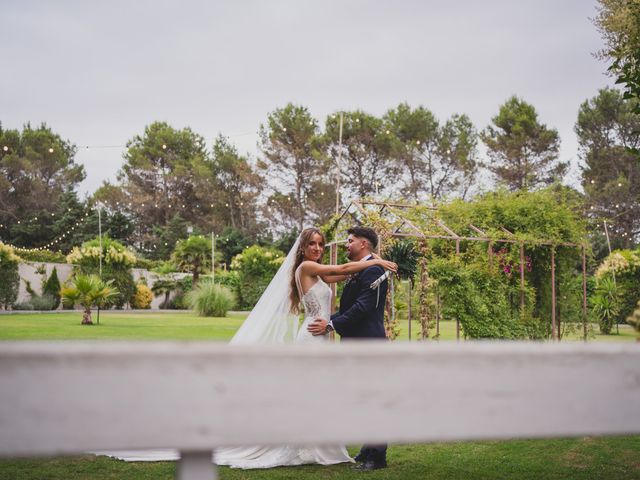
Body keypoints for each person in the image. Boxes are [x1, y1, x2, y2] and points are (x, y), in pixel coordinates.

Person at [95, 227, 397, 469]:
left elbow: (345, 272)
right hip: (312, 337)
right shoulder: (307, 267)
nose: (318, 249)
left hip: (322, 336)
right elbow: (345, 266)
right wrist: (378, 261)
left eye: (321, 244)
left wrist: (370, 265)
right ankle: (304, 447)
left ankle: (320, 445)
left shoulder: (318, 271)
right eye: (313, 244)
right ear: (303, 248)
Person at [307, 226, 390, 471]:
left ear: (364, 244)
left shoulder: (375, 270)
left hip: (368, 343)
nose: (346, 244)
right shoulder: (362, 270)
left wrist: (331, 325)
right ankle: (369, 448)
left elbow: (363, 308)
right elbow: (348, 307)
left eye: (350, 241)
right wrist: (330, 319)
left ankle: (378, 456)